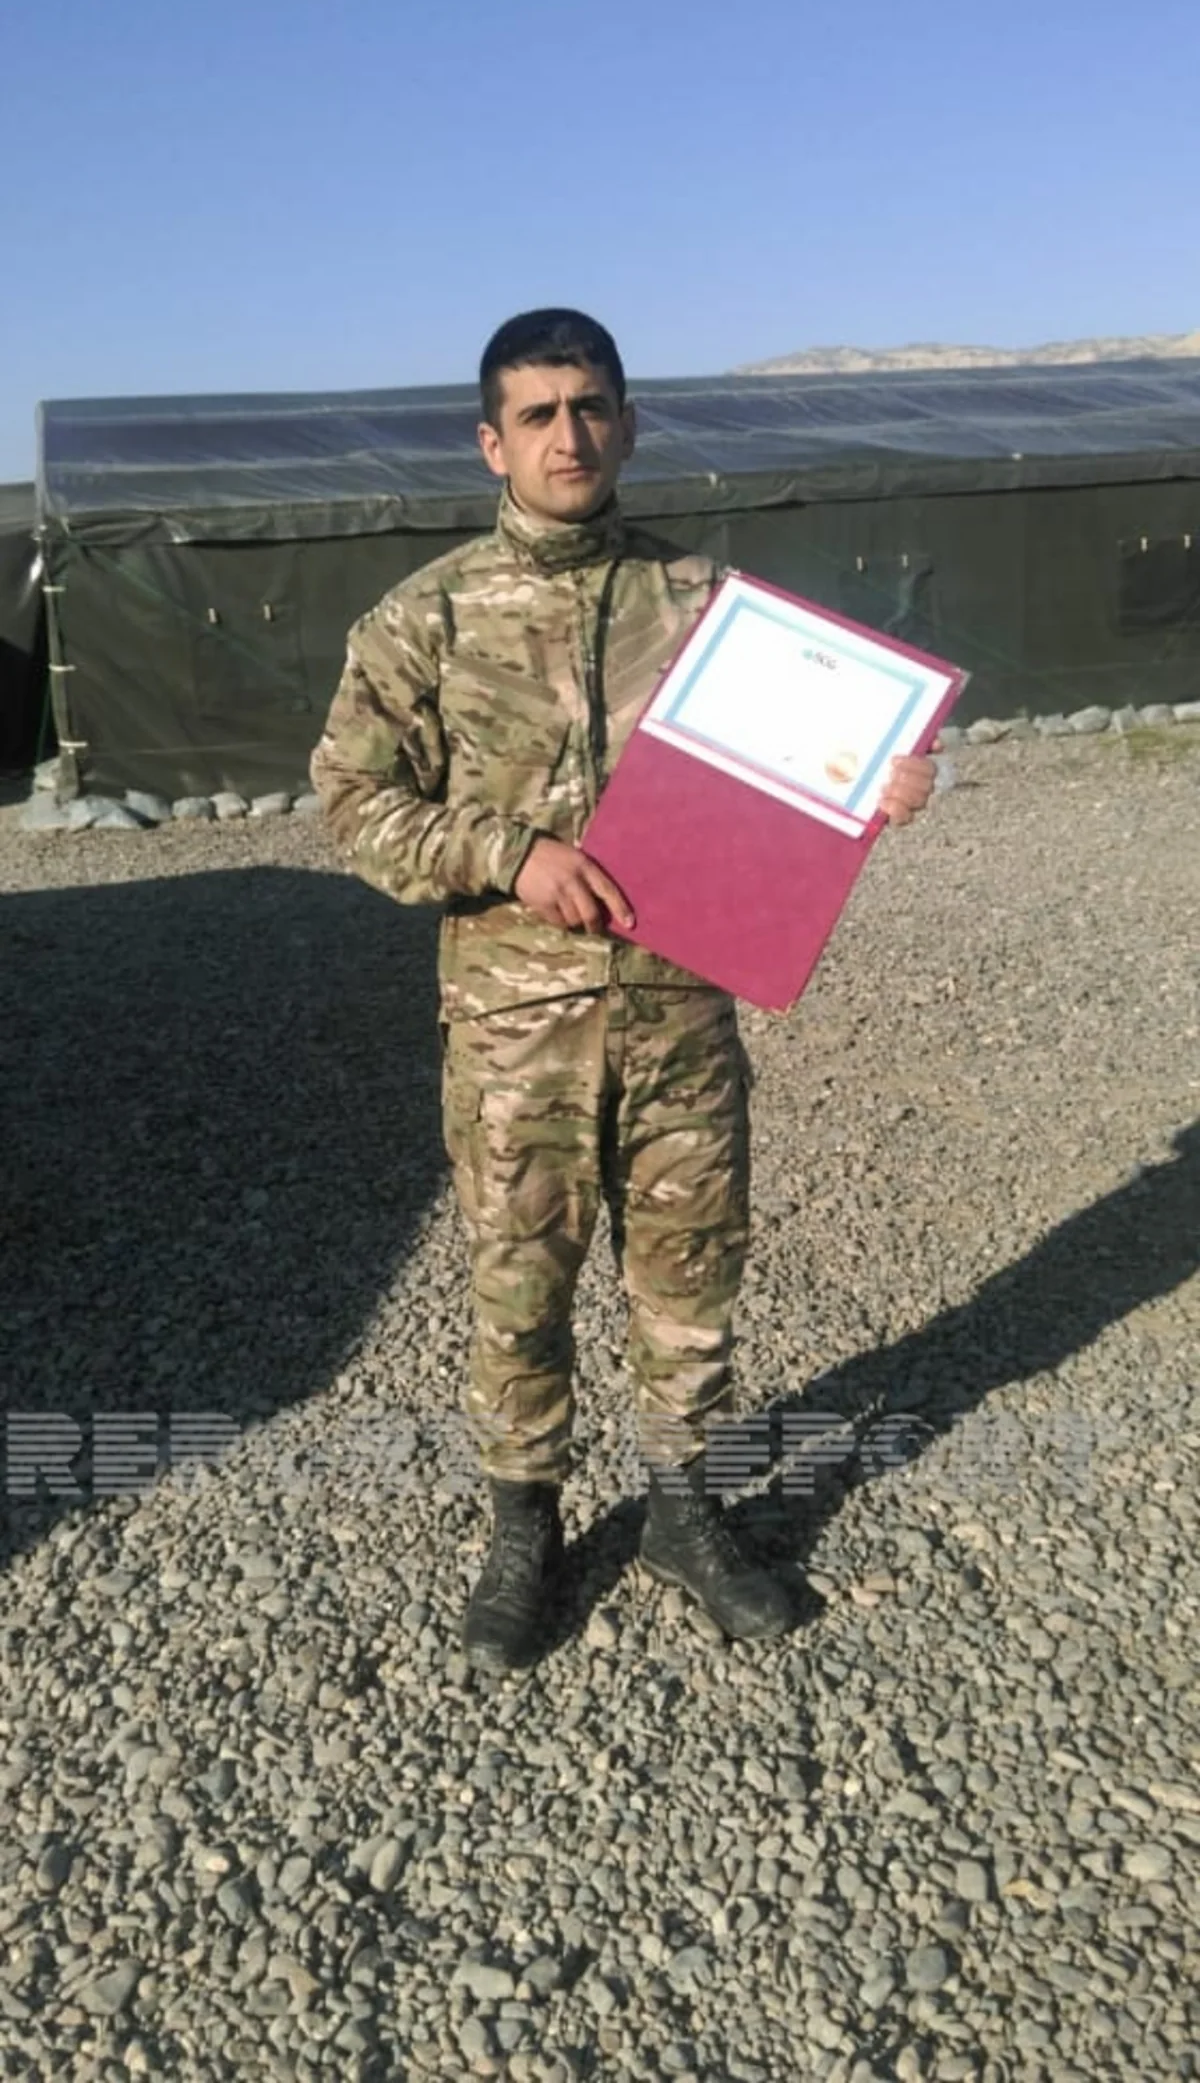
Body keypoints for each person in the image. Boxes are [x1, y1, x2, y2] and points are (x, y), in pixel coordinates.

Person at [310, 308, 937, 1673]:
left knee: (690, 1273)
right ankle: (523, 1526)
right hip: (516, 1025)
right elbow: (350, 800)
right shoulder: (427, 617)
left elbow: (802, 774)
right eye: (537, 414)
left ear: (629, 425)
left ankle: (682, 1515)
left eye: (590, 406)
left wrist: (877, 783)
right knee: (518, 1283)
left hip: (679, 1015)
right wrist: (505, 854)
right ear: (492, 442)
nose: (568, 435)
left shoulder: (712, 608)